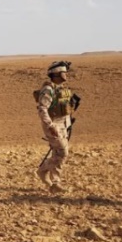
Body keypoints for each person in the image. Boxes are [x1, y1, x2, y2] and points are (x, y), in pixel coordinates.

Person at [35, 61, 76, 194]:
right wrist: (50, 125)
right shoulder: (48, 90)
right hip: (53, 125)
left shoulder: (62, 88)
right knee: (62, 153)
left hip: (64, 124)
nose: (66, 75)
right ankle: (49, 176)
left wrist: (69, 121)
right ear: (56, 73)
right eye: (64, 72)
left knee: (58, 153)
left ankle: (49, 177)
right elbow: (42, 109)